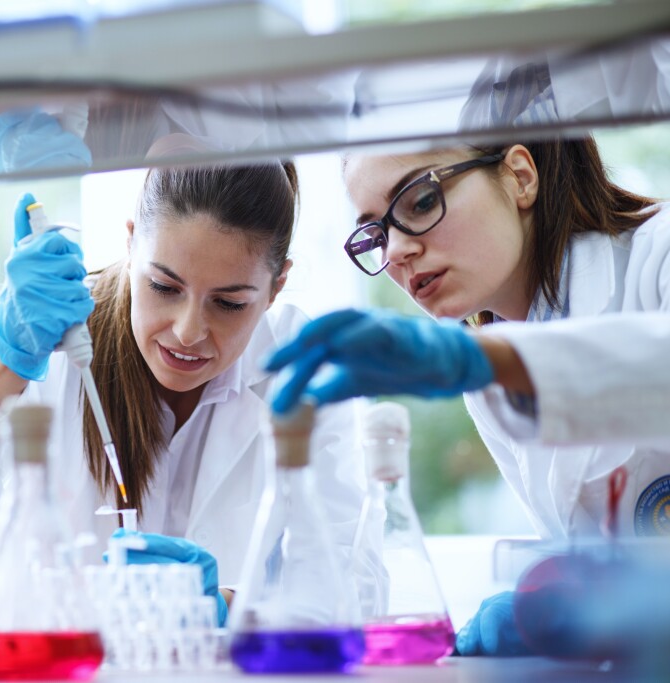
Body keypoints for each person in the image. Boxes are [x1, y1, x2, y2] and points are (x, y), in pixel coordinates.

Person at [0, 161, 383, 627]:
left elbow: (357, 588)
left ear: (276, 287)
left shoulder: (304, 372)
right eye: (163, 286)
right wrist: (2, 360)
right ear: (132, 241)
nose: (189, 331)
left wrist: (224, 608)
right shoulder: (53, 342)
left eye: (229, 303)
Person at [264, 135, 670, 655]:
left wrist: (496, 364)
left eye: (421, 201)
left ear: (520, 176)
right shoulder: (489, 376)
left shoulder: (657, 257)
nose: (396, 251)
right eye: (375, 233)